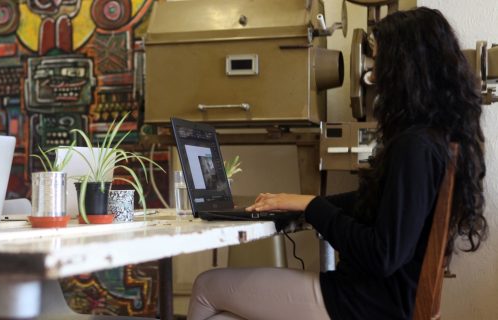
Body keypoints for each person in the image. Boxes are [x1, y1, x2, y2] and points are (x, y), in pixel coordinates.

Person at [187, 7, 488, 320]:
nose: (373, 75)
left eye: (380, 62)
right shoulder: (431, 141)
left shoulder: (415, 146)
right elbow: (383, 206)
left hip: (366, 303)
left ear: (404, 69)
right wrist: (304, 204)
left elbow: (382, 254)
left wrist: (313, 206)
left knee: (207, 286)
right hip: (382, 298)